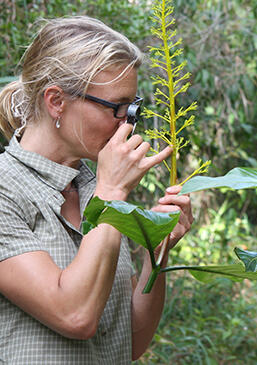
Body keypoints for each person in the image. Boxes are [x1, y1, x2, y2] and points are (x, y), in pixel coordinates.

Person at [0, 16, 193, 363]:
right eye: (117, 107)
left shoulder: (94, 188)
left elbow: (129, 340)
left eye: (133, 108)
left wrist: (156, 252)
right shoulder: (6, 190)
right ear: (56, 101)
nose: (127, 123)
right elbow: (75, 315)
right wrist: (112, 191)